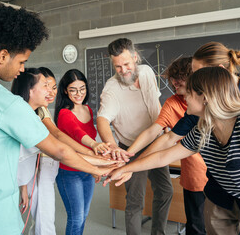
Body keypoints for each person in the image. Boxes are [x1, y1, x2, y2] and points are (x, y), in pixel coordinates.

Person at [0, 3, 114, 235]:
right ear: (3, 55)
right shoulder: (7, 103)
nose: (22, 70)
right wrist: (103, 169)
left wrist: (97, 158)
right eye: (21, 62)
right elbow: (59, 150)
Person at [110, 41, 240, 235]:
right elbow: (164, 155)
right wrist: (126, 168)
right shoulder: (204, 128)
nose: (184, 99)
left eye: (189, 93)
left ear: (206, 96)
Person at [13, 68, 117, 235]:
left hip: (48, 169)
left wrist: (96, 162)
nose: (50, 91)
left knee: (52, 218)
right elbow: (60, 144)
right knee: (48, 219)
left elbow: (57, 145)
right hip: (56, 171)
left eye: (53, 87)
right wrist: (96, 162)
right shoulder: (28, 116)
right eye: (45, 86)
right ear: (30, 90)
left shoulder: (39, 111)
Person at [97, 38, 173, 235]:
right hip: (130, 150)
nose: (123, 70)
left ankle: (158, 233)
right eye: (118, 66)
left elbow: (155, 105)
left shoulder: (147, 72)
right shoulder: (111, 89)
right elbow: (103, 120)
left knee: (166, 191)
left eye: (127, 64)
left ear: (135, 57)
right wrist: (113, 146)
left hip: (155, 145)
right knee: (135, 201)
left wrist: (165, 130)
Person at [125, 57, 207, 235]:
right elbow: (157, 133)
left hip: (219, 176)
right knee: (196, 226)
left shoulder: (211, 103)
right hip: (194, 176)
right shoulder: (173, 103)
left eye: (180, 78)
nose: (174, 82)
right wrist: (130, 157)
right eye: (172, 78)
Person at [53, 68, 112, 235]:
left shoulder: (88, 109)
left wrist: (94, 169)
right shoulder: (64, 113)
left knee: (84, 215)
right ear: (65, 90)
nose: (78, 93)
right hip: (70, 173)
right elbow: (80, 134)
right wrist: (95, 145)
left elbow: (90, 133)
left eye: (82, 88)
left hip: (87, 170)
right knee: (76, 217)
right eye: (73, 90)